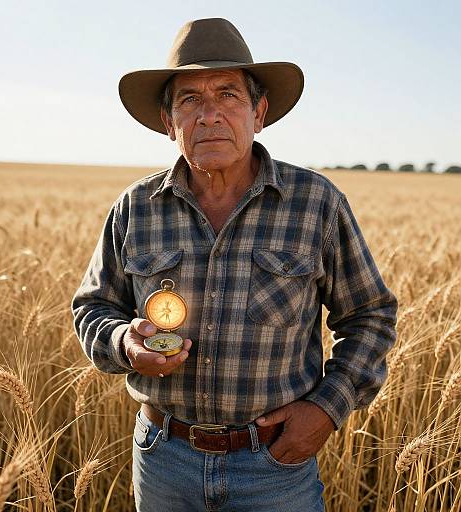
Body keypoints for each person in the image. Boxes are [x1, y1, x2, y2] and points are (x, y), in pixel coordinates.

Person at [71, 17, 398, 512]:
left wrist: (326, 410)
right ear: (168, 122)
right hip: (163, 460)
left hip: (273, 464)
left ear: (259, 112)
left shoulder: (315, 203)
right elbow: (93, 307)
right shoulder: (135, 207)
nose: (209, 115)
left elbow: (370, 316)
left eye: (228, 95)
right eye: (189, 100)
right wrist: (124, 342)